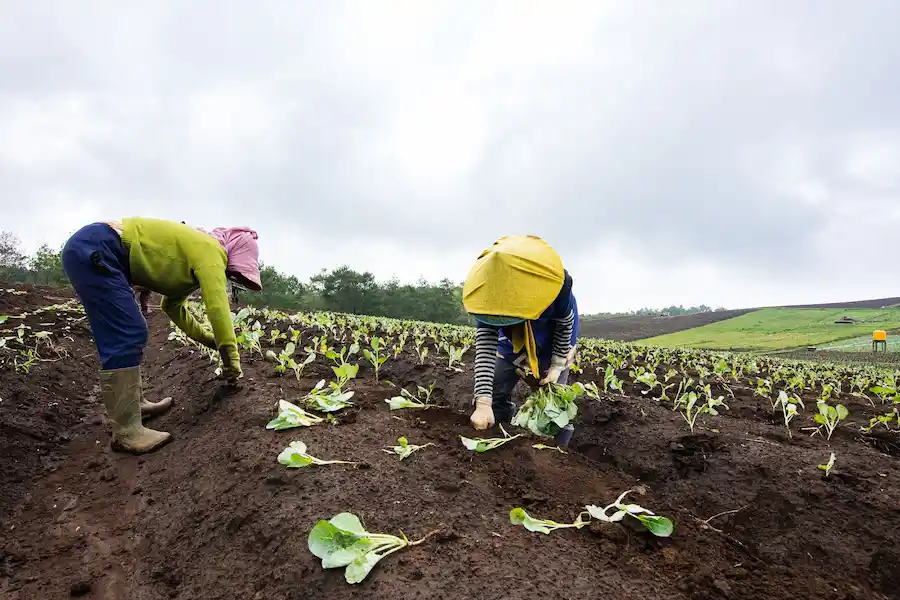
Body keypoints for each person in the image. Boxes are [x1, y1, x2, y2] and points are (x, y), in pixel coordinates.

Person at [61, 217, 262, 454]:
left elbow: (172, 307)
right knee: (128, 332)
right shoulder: (211, 252)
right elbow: (218, 309)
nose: (230, 277)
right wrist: (231, 362)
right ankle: (127, 431)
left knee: (132, 328)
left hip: (96, 248)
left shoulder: (195, 254)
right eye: (234, 273)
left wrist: (209, 340)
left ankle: (135, 405)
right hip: (97, 248)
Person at [462, 235, 579, 431]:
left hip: (551, 336)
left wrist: (557, 365)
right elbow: (486, 345)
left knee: (551, 393)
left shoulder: (558, 284)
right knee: (496, 384)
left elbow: (565, 324)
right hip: (511, 340)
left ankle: (548, 443)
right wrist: (483, 403)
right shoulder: (487, 293)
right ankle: (499, 424)